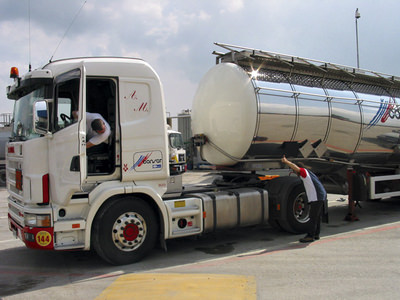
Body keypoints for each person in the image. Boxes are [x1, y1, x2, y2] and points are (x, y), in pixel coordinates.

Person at [281, 155, 327, 243]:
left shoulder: (304, 173)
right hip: (320, 195)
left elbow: (297, 169)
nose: (294, 172)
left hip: (317, 196)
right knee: (316, 217)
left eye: (294, 170)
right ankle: (316, 234)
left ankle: (310, 236)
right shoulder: (309, 173)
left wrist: (286, 162)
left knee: (312, 217)